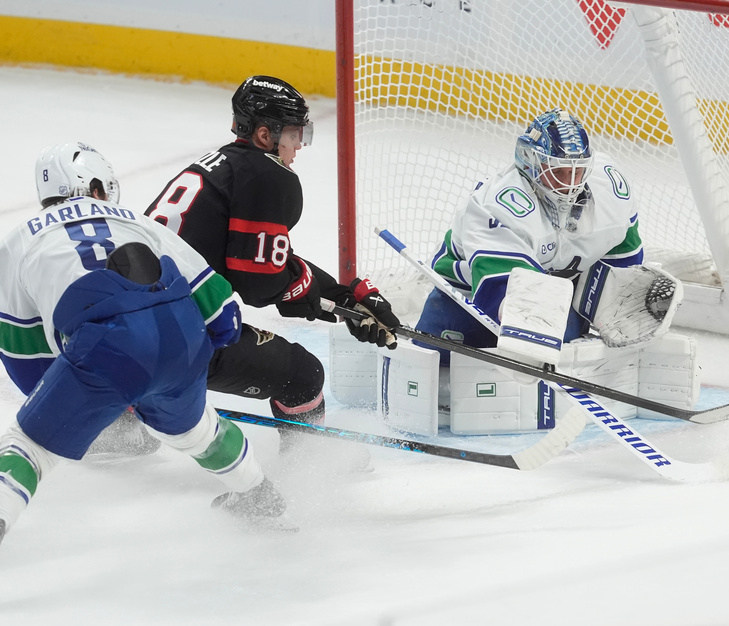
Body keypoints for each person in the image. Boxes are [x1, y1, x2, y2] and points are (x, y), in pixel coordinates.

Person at [0, 142, 290, 598]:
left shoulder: (15, 242)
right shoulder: (136, 220)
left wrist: (95, 399)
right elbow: (224, 316)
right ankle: (259, 496)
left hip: (105, 346)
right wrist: (186, 363)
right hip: (181, 334)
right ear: (96, 186)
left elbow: (21, 354)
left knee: (27, 446)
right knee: (198, 433)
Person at [146, 75, 400, 445]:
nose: (299, 145)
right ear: (265, 135)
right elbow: (260, 282)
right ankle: (310, 465)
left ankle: (124, 422)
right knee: (303, 375)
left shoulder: (218, 166)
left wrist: (341, 295)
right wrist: (326, 299)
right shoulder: (269, 175)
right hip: (171, 339)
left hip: (123, 328)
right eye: (295, 134)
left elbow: (260, 259)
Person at [415, 107, 653, 358]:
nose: (569, 184)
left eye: (577, 171)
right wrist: (531, 336)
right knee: (435, 367)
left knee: (564, 343)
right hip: (465, 302)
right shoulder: (500, 204)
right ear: (532, 163)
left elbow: (622, 265)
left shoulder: (610, 189)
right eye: (558, 171)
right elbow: (500, 292)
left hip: (557, 299)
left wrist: (624, 301)